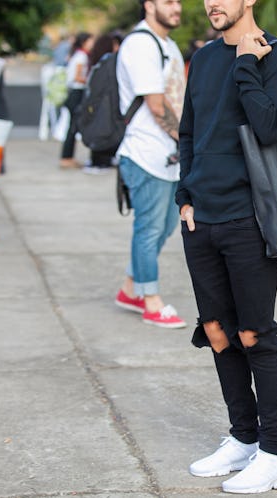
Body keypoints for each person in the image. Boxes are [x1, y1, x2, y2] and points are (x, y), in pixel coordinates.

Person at [177, 0, 277, 493]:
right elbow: (189, 133)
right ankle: (244, 437)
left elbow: (271, 128)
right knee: (216, 331)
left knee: (255, 334)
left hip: (250, 219)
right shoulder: (204, 59)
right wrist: (184, 196)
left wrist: (247, 63)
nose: (212, 3)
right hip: (200, 217)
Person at [114, 0, 187, 329]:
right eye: (169, 1)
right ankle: (151, 301)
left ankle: (131, 289)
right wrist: (187, 139)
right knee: (149, 229)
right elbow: (157, 107)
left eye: (179, 2)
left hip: (169, 157)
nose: (177, 8)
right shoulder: (141, 44)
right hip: (145, 153)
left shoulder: (167, 45)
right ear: (149, 5)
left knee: (167, 225)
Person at [84, 32, 122, 174]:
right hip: (104, 102)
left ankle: (99, 160)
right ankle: (100, 161)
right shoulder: (109, 61)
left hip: (95, 102)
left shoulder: (98, 61)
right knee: (104, 130)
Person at [59, 32, 93, 169]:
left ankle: (68, 157)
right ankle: (66, 157)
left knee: (72, 127)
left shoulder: (77, 55)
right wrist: (90, 80)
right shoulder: (82, 56)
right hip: (77, 93)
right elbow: (78, 77)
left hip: (74, 93)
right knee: (73, 127)